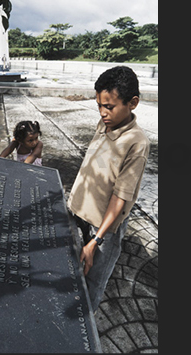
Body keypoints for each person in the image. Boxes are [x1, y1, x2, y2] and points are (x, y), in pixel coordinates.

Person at [67, 66, 150, 312]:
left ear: (132, 103)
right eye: (99, 106)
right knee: (71, 272)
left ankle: (84, 335)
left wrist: (95, 242)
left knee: (91, 284)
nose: (103, 113)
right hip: (77, 214)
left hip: (102, 230)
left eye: (109, 107)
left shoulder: (137, 143)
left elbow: (120, 197)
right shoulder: (104, 124)